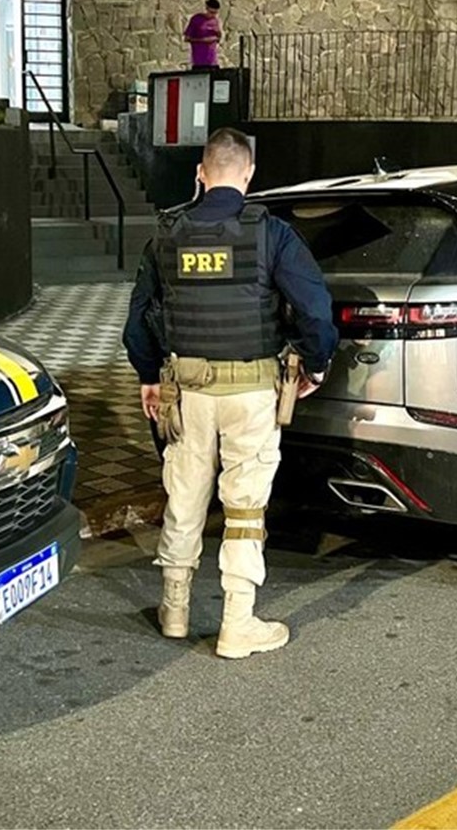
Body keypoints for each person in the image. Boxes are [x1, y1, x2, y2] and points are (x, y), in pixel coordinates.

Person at [123, 127, 338, 659]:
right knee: (244, 506)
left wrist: (149, 376)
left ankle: (174, 610)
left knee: (186, 493)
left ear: (201, 173)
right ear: (247, 175)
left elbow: (136, 323)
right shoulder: (271, 235)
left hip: (185, 392)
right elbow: (315, 311)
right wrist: (315, 366)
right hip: (251, 393)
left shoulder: (167, 234)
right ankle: (237, 624)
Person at [183, 0, 222, 69]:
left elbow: (218, 37)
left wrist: (217, 37)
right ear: (206, 9)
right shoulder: (196, 19)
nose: (213, 15)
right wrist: (203, 40)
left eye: (215, 13)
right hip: (199, 61)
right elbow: (187, 38)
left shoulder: (215, 21)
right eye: (211, 12)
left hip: (212, 61)